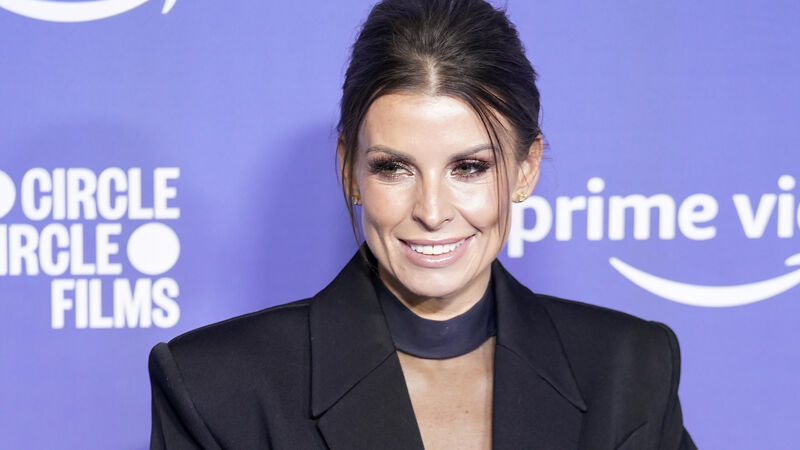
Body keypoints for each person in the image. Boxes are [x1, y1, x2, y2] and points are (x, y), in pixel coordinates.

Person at [148, 0, 697, 448]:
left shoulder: (630, 371)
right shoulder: (215, 388)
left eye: (469, 167)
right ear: (349, 169)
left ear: (526, 169)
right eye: (394, 168)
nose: (432, 212)